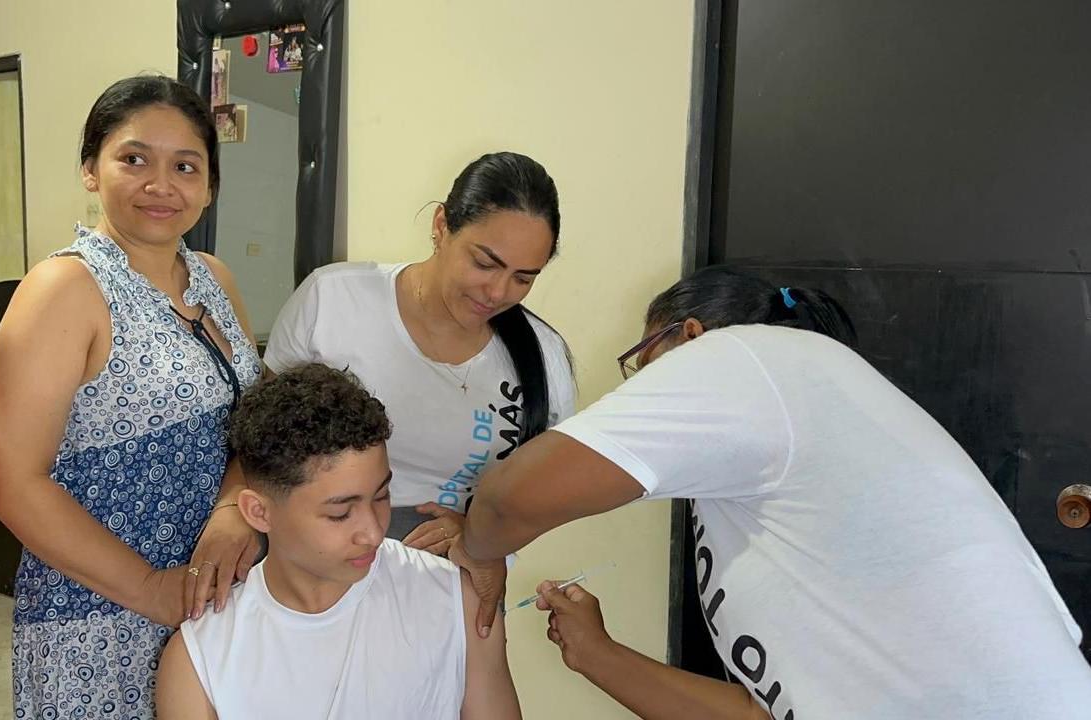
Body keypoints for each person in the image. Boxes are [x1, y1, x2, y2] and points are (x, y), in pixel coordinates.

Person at [451, 266, 1091, 718]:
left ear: (692, 337)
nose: (636, 391)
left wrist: (478, 551)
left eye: (643, 363)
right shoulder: (772, 486)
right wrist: (596, 655)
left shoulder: (745, 358)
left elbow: (514, 497)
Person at [0, 75, 263, 719]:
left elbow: (255, 421)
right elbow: (5, 478)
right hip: (99, 618)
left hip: (212, 601)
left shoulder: (214, 278)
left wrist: (231, 510)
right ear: (90, 168)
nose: (161, 185)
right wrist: (150, 589)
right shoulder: (65, 288)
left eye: (185, 166)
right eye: (133, 159)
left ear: (209, 184)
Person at [156, 364, 521, 719]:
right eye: (340, 514)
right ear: (258, 512)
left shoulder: (456, 600)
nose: (374, 533)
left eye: (381, 496)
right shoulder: (201, 659)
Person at [266, 151, 575, 554]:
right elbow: (264, 442)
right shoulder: (333, 298)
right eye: (484, 263)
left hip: (448, 572)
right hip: (317, 558)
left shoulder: (542, 357)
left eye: (522, 278)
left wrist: (478, 532)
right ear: (442, 226)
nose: (498, 293)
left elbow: (544, 493)